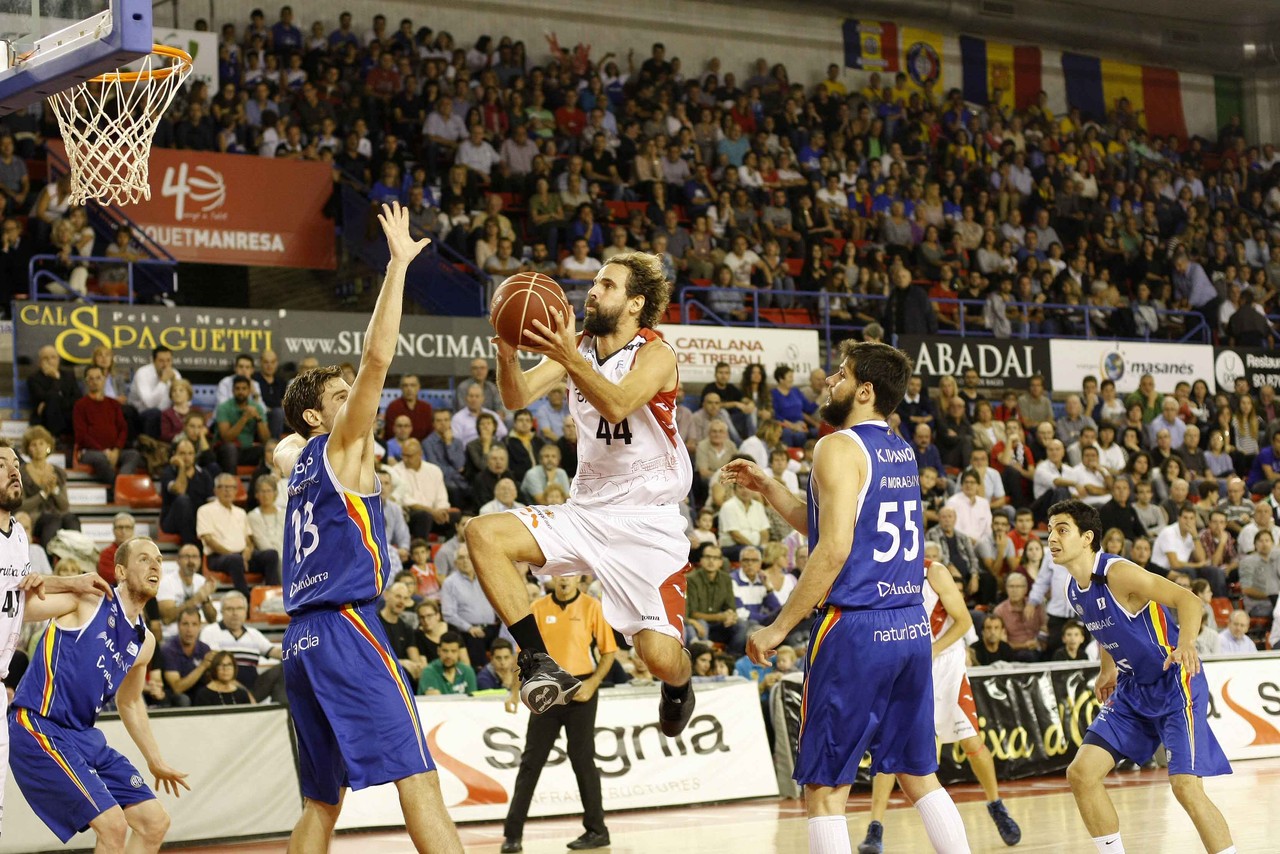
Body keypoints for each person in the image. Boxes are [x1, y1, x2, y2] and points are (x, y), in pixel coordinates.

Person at [724, 341, 971, 854]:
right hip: (908, 625)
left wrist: (778, 627)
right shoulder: (899, 448)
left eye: (840, 373)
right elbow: (836, 529)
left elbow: (833, 550)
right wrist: (770, 488)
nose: (828, 380)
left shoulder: (836, 446)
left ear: (864, 390)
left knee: (825, 790)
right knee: (918, 774)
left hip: (856, 629)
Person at [273, 202, 462, 853]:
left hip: (299, 642)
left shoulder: (298, 466)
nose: (355, 398)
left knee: (321, 804)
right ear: (316, 421)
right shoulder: (334, 448)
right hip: (348, 628)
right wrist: (398, 268)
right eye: (339, 395)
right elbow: (379, 357)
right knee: (419, 777)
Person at [467, 252, 696, 736]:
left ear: (636, 303)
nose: (592, 292)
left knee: (658, 658)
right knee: (483, 535)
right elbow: (514, 397)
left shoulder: (657, 354)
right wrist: (507, 353)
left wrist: (568, 356)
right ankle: (536, 660)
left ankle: (680, 684)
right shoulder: (579, 347)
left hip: (647, 522)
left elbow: (616, 405)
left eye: (606, 286)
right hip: (586, 512)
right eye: (593, 283)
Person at [1048, 499, 1233, 854]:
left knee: (1185, 788)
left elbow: (1189, 600)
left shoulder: (1119, 573)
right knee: (1081, 775)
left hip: (1175, 682)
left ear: (1087, 537)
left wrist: (1187, 644)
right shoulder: (1074, 589)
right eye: (1051, 530)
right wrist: (1108, 667)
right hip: (1133, 690)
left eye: (1062, 529)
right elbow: (1104, 629)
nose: (1052, 538)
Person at [9, 537, 189, 851]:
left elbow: (130, 702)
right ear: (120, 570)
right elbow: (17, 611)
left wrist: (155, 760)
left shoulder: (144, 642)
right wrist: (50, 582)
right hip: (38, 725)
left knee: (153, 822)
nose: (155, 566)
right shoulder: (88, 600)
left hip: (83, 736)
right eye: (144, 559)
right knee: (113, 825)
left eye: (159, 560)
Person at [861, 560, 1021, 853]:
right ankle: (875, 828)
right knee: (890, 747)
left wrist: (931, 650)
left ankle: (996, 805)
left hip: (945, 664)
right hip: (908, 666)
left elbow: (964, 621)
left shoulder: (933, 571)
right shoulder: (881, 570)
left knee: (971, 741)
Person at [502, 573, 617, 853]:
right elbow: (525, 656)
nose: (564, 580)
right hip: (547, 688)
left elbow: (609, 652)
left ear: (580, 578)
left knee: (582, 759)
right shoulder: (538, 608)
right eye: (559, 574)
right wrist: (514, 692)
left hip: (580, 688)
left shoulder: (593, 606)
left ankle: (597, 830)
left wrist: (592, 684)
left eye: (570, 575)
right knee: (531, 761)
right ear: (551, 577)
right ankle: (512, 835)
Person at [197, 473, 279, 596]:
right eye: (223, 487)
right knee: (234, 560)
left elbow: (249, 540)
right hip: (218, 557)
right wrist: (234, 555)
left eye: (231, 487)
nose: (227, 491)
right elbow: (209, 540)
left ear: (236, 491)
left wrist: (247, 551)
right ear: (215, 490)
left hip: (241, 556)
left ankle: (273, 596)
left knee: (271, 554)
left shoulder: (240, 512)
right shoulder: (205, 510)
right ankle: (246, 599)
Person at [73, 364, 142, 488]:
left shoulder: (113, 404)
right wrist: (103, 451)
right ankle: (118, 487)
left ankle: (119, 485)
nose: (95, 382)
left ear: (104, 379)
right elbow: (81, 435)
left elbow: (123, 428)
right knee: (100, 459)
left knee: (134, 455)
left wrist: (116, 450)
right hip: (91, 452)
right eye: (91, 379)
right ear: (86, 382)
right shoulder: (80, 405)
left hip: (114, 451)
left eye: (98, 378)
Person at [161, 605, 215, 706]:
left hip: (199, 693)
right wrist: (202, 666)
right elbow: (177, 688)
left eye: (194, 624)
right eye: (185, 624)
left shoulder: (204, 649)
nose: (189, 630)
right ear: (178, 626)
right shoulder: (168, 649)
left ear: (200, 627)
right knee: (183, 699)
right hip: (175, 697)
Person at [417, 631, 477, 695]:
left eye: (453, 651)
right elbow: (435, 702)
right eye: (445, 651)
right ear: (438, 651)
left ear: (459, 652)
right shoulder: (429, 672)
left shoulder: (467, 671)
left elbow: (473, 700)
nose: (449, 655)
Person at [192, 649, 257, 706]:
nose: (225, 669)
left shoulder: (242, 694)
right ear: (214, 668)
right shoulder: (203, 695)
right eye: (220, 665)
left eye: (229, 665)